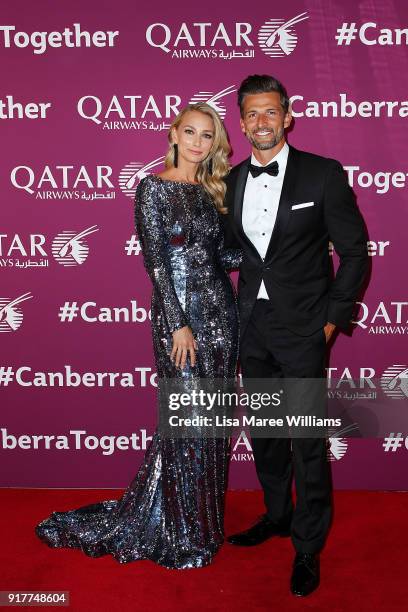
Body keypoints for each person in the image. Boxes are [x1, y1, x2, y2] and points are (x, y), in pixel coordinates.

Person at [35, 103, 242, 569]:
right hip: (181, 322)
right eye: (189, 131)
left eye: (207, 135)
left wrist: (287, 251)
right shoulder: (153, 188)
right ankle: (179, 528)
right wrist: (179, 324)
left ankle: (202, 523)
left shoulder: (214, 191)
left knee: (210, 423)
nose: (196, 142)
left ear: (216, 143)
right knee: (185, 421)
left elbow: (224, 257)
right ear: (173, 133)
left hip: (221, 317)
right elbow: (157, 265)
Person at [221, 75, 368, 596]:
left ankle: (307, 546)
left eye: (270, 113)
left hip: (304, 328)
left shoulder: (323, 175)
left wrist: (331, 321)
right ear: (240, 122)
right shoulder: (232, 180)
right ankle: (277, 515)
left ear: (287, 116)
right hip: (252, 330)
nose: (261, 123)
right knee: (264, 434)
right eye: (251, 115)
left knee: (306, 440)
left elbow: (354, 253)